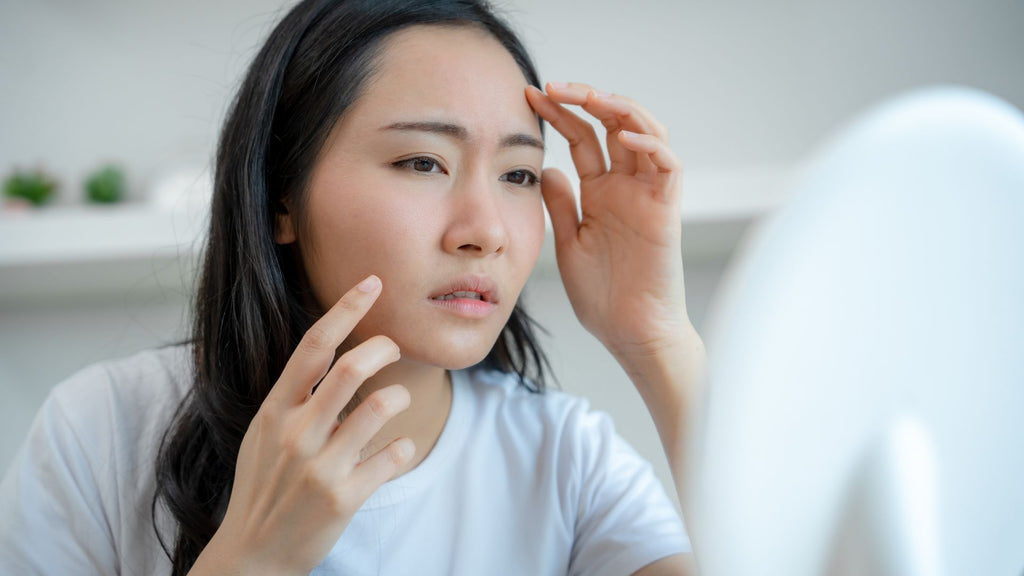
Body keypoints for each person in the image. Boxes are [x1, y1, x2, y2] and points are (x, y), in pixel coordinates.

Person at [0, 0, 706, 574]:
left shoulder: (567, 460)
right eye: (423, 162)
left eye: (518, 174)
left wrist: (658, 342)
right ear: (282, 197)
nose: (485, 229)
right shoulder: (102, 432)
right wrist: (253, 560)